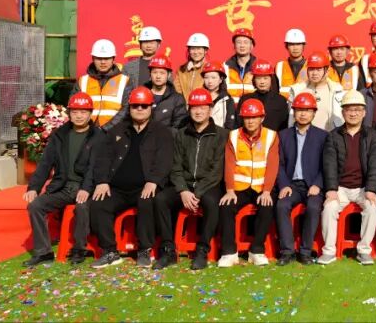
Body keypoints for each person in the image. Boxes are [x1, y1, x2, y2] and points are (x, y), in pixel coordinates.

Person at [88, 86, 174, 269]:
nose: (139, 109)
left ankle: (144, 250)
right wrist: (102, 181)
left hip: (144, 186)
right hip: (116, 188)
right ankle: (109, 251)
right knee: (98, 203)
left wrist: (154, 181)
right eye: (135, 106)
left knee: (147, 201)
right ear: (130, 108)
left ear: (151, 107)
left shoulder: (162, 132)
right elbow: (103, 158)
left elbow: (165, 160)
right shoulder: (117, 130)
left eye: (144, 106)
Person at [23, 92, 103, 267]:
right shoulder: (60, 135)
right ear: (69, 113)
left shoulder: (98, 136)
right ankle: (43, 252)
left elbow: (95, 167)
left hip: (87, 187)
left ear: (90, 114)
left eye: (83, 112)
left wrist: (86, 189)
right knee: (36, 206)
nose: (79, 116)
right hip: (63, 187)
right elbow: (45, 163)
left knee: (82, 207)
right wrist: (34, 187)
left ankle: (79, 249)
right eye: (75, 112)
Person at [152, 88, 227, 270]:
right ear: (189, 109)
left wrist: (198, 193)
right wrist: (183, 191)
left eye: (203, 107)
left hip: (208, 185)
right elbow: (175, 166)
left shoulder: (222, 135)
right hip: (184, 185)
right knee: (161, 199)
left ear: (210, 109)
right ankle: (168, 249)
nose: (198, 111)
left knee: (212, 202)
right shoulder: (181, 134)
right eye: (194, 107)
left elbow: (217, 171)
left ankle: (202, 250)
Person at [317, 90, 376, 265]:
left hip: (363, 187)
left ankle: (364, 250)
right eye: (349, 109)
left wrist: (371, 189)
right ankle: (329, 251)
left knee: (371, 207)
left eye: (357, 109)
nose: (353, 113)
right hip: (341, 188)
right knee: (329, 207)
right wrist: (331, 189)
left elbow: (375, 165)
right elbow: (329, 165)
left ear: (364, 112)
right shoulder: (333, 136)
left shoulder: (373, 135)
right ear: (343, 112)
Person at [218, 98, 279, 268]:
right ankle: (229, 252)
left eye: (254, 117)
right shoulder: (233, 135)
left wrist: (267, 191)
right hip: (239, 187)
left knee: (267, 206)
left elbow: (273, 165)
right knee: (226, 206)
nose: (250, 121)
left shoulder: (271, 136)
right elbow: (229, 164)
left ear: (262, 118)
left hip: (261, 187)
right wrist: (230, 190)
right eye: (247, 117)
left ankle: (256, 251)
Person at [274, 92, 328, 266]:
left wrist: (318, 184)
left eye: (307, 110)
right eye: (299, 110)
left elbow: (326, 165)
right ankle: (287, 251)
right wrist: (284, 184)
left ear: (314, 113)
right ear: (294, 112)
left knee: (313, 206)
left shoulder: (323, 136)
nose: (303, 114)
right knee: (282, 205)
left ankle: (305, 251)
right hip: (292, 185)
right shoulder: (283, 135)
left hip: (313, 185)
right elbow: (279, 164)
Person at [107, 55, 186, 132]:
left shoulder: (177, 99)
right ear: (150, 74)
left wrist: (161, 136)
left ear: (168, 75)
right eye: (155, 72)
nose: (158, 76)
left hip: (166, 139)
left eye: (162, 73)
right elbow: (128, 119)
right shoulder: (139, 95)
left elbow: (178, 126)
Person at [78, 39, 129, 127]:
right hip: (87, 130)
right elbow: (74, 108)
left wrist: (106, 128)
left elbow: (126, 109)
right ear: (93, 58)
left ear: (113, 59)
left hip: (114, 131)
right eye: (99, 58)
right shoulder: (82, 81)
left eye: (107, 58)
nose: (103, 62)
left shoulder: (125, 80)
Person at [289, 51, 343, 131]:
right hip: (303, 137)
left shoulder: (338, 91)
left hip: (329, 137)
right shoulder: (297, 91)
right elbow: (291, 120)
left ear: (327, 71)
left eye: (318, 69)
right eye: (311, 69)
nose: (314, 73)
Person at [239, 60, 290, 132]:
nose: (262, 82)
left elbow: (284, 127)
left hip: (274, 138)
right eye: (258, 78)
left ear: (271, 79)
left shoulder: (281, 100)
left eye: (265, 78)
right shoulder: (245, 99)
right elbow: (239, 124)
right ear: (254, 80)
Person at [200, 61, 237, 130]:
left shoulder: (228, 100)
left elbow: (230, 125)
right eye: (206, 77)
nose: (209, 81)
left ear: (221, 79)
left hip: (221, 135)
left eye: (213, 77)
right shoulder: (199, 97)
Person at [225, 28, 259, 102]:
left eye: (246, 42)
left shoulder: (259, 66)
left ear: (252, 46)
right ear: (234, 45)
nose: (242, 45)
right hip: (231, 108)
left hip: (253, 108)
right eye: (239, 42)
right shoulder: (225, 68)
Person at [174, 33, 210, 101]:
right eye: (193, 48)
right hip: (183, 107)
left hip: (202, 106)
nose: (195, 52)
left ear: (205, 50)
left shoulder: (209, 69)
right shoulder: (181, 70)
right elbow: (177, 92)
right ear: (189, 50)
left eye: (199, 48)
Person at [276, 28, 308, 97]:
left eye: (298, 44)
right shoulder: (279, 66)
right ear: (286, 46)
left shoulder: (311, 66)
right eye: (292, 44)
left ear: (303, 46)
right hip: (283, 103)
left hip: (305, 103)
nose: (295, 48)